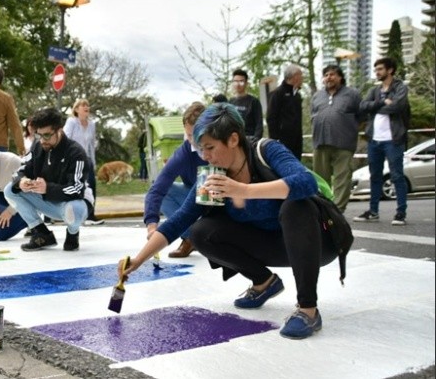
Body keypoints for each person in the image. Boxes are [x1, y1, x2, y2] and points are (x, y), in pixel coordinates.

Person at [120, 103, 339, 340]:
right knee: (200, 231)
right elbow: (180, 220)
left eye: (210, 148)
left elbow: (306, 183)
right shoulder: (213, 176)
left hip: (316, 244)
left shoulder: (267, 150)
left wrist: (244, 190)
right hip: (274, 246)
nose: (205, 156)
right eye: (201, 150)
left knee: (296, 205)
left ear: (233, 139)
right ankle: (264, 282)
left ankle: (308, 309)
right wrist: (138, 260)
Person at [3, 107, 90, 252]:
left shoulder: (76, 153)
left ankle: (73, 233)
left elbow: (77, 189)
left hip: (74, 203)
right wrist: (22, 181)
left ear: (59, 130)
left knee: (73, 211)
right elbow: (20, 169)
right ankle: (42, 234)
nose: (42, 140)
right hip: (47, 201)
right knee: (11, 190)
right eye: (39, 135)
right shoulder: (38, 146)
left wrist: (47, 188)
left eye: (47, 135)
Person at [143, 102, 207, 258]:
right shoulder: (184, 153)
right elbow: (157, 188)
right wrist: (152, 225)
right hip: (197, 197)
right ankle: (190, 237)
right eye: (189, 135)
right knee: (167, 191)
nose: (193, 141)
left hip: (226, 198)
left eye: (196, 135)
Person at [354, 57, 411, 226]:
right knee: (375, 176)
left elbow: (397, 106)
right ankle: (373, 212)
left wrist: (376, 107)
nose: (377, 72)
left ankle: (401, 213)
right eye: (376, 70)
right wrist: (380, 103)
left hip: (393, 139)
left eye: (380, 69)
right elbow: (363, 106)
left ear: (390, 70)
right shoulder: (375, 90)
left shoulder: (400, 87)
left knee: (397, 176)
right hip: (374, 140)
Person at [311, 65, 363, 213]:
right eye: (326, 75)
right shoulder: (317, 96)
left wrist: (348, 128)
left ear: (340, 77)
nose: (329, 77)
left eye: (332, 74)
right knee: (321, 179)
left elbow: (362, 116)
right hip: (320, 142)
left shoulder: (352, 94)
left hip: (344, 143)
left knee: (342, 178)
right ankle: (324, 208)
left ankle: (338, 210)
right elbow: (313, 115)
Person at [63, 98, 104, 225]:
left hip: (87, 159)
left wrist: (93, 161)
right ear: (76, 109)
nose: (86, 107)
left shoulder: (92, 124)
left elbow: (91, 144)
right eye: (83, 105)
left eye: (87, 105)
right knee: (77, 186)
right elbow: (65, 139)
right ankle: (76, 215)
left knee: (91, 185)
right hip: (73, 159)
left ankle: (90, 215)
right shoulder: (71, 122)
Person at [266, 64, 304, 159]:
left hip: (297, 141)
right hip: (282, 141)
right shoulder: (277, 94)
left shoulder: (297, 96)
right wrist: (275, 139)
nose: (302, 78)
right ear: (294, 76)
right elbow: (271, 117)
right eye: (301, 75)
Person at [228, 69, 263, 141]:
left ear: (246, 83)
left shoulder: (254, 101)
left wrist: (255, 140)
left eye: (241, 81)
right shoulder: (230, 102)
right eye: (235, 81)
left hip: (249, 140)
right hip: (234, 141)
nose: (238, 84)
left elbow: (259, 125)